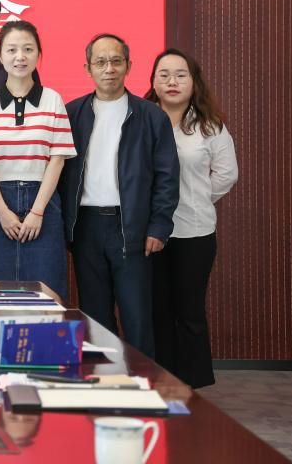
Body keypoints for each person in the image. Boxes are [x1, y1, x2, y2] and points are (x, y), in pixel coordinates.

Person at [60, 34, 179, 357]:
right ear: (88, 68)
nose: (109, 69)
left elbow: (168, 177)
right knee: (95, 316)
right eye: (100, 62)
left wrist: (159, 227)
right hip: (86, 227)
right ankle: (104, 378)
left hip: (132, 227)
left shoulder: (150, 116)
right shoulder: (73, 114)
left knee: (137, 316)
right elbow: (59, 173)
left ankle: (143, 382)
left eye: (116, 61)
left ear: (128, 66)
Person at [145, 48, 237, 387]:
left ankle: (193, 384)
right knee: (157, 310)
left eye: (181, 75)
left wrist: (197, 199)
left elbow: (227, 174)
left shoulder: (209, 126)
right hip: (149, 233)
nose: (172, 81)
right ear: (153, 81)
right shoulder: (141, 121)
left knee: (189, 311)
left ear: (193, 81)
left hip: (195, 232)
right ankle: (161, 379)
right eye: (164, 74)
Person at [0, 21, 75, 299]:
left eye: (28, 49)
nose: (20, 57)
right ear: (0, 55)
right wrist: (2, 211)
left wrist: (37, 211)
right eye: (12, 50)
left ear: (38, 54)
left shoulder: (53, 99)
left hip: (43, 202)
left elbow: (57, 159)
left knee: (47, 292)